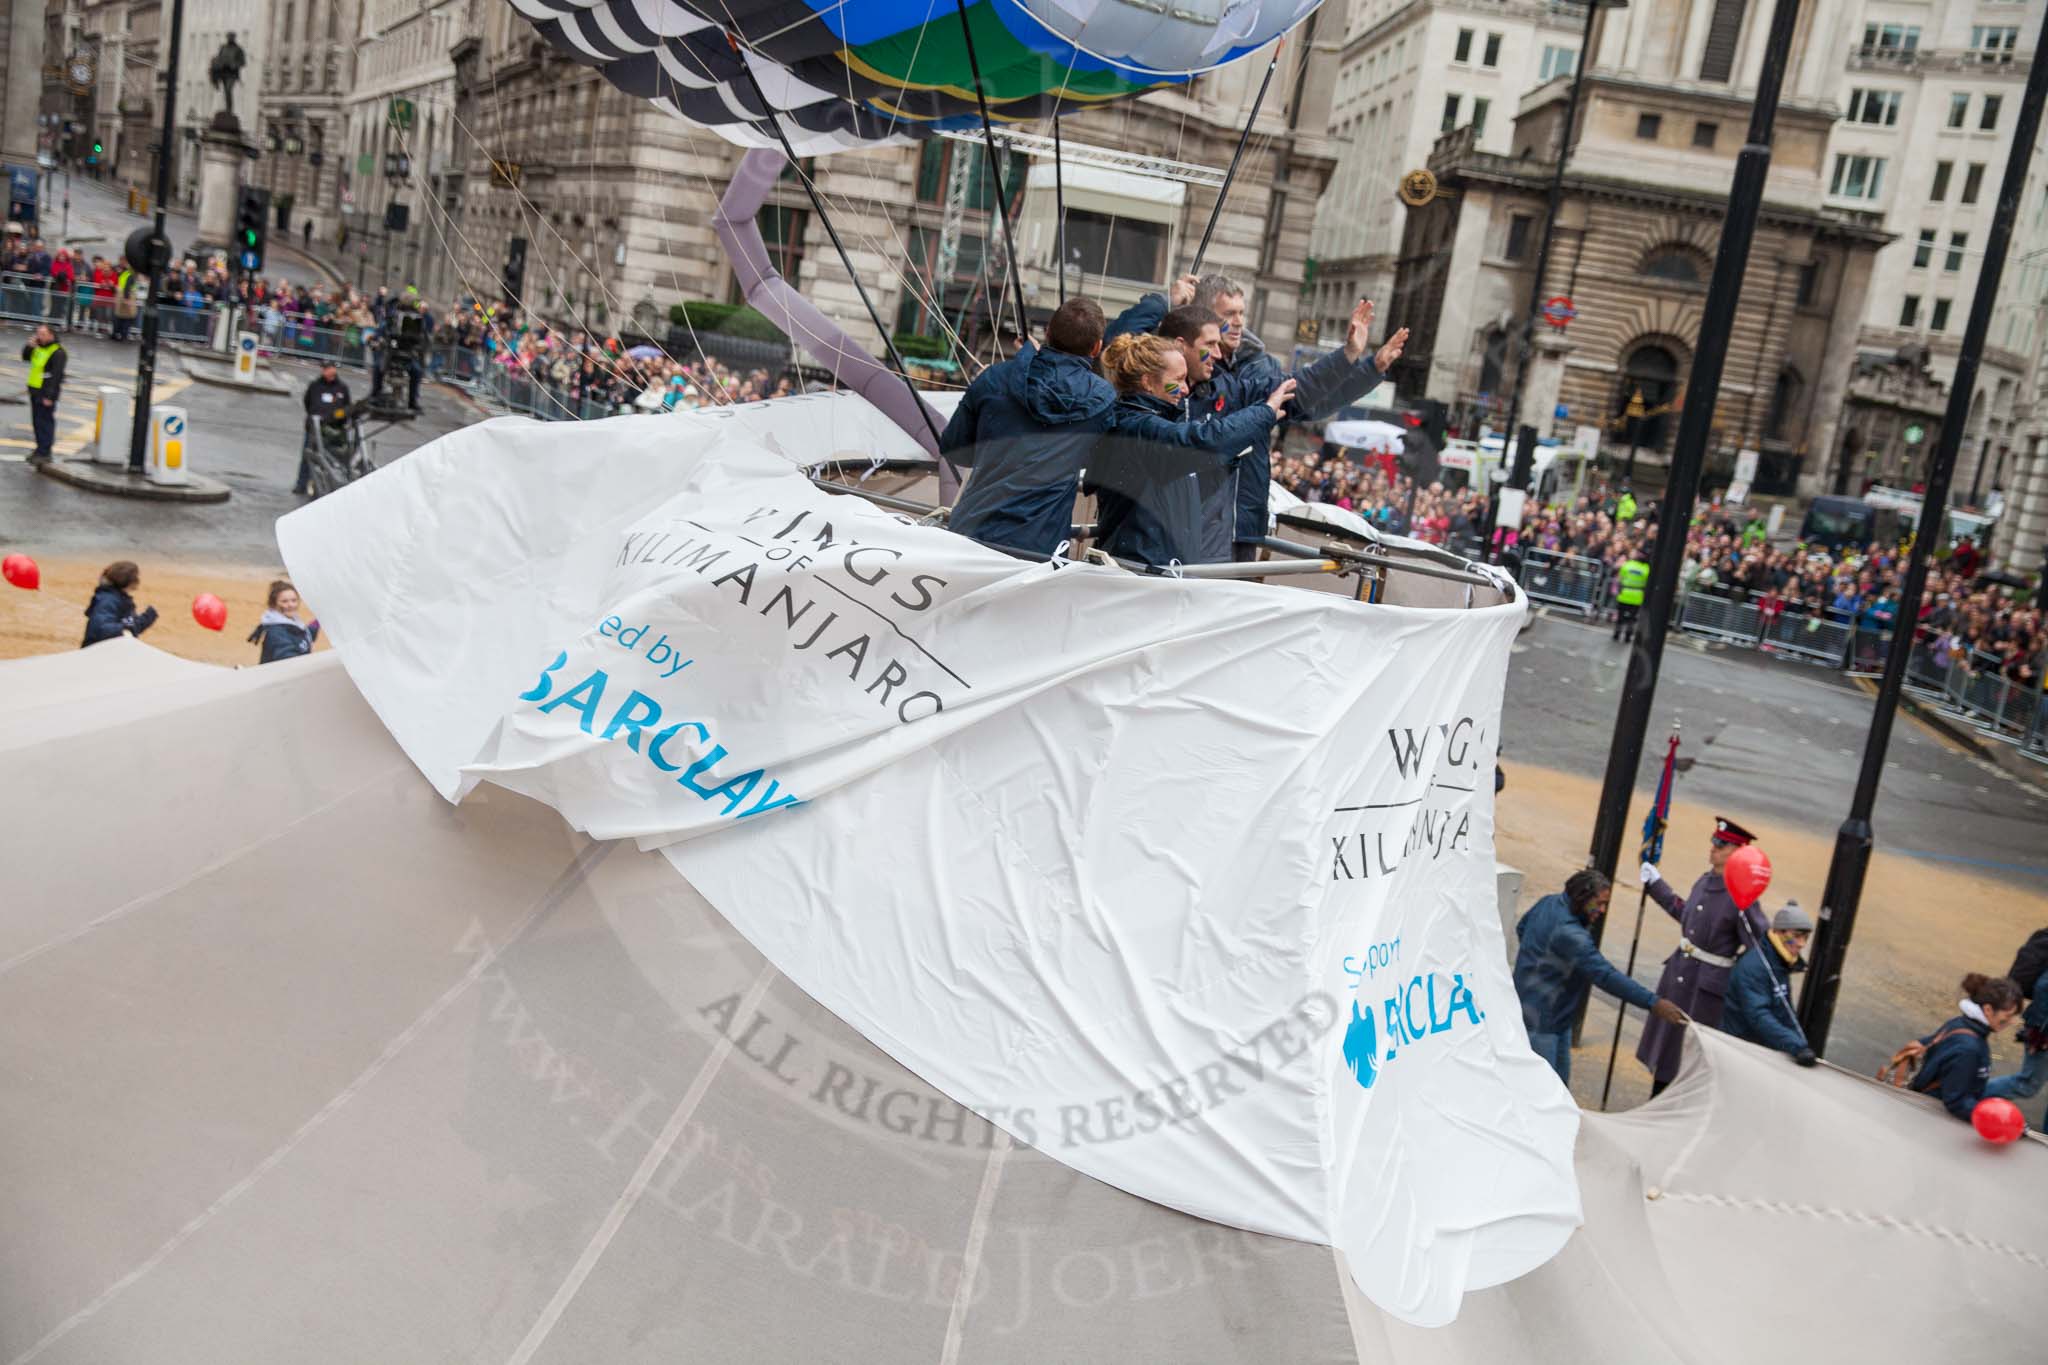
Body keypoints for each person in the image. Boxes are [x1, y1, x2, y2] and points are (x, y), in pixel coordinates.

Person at [1090, 332, 1292, 566]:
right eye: (1178, 380)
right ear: (1147, 382)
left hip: (1157, 568)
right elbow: (1203, 441)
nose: (1185, 389)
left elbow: (1185, 494)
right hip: (1140, 570)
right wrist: (1263, 414)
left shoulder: (1148, 424)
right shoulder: (1138, 427)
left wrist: (1227, 461)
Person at [941, 297, 1117, 559]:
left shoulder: (996, 378)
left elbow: (955, 449)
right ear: (1097, 348)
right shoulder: (1102, 398)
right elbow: (1097, 464)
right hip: (1040, 545)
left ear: (1047, 332)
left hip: (974, 531)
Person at [1512, 868, 1687, 1083]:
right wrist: (1654, 1003)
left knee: (1557, 1089)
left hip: (1547, 1015)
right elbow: (1606, 976)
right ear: (1582, 897)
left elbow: (1522, 928)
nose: (1603, 910)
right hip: (1544, 1024)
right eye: (1600, 903)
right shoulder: (1572, 935)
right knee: (1545, 1093)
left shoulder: (1548, 902)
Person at [1636, 816, 1770, 1095]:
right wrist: (1656, 885)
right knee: (1666, 1057)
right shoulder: (1706, 880)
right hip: (1680, 977)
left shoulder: (1740, 894)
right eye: (1714, 841)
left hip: (1705, 989)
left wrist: (1729, 976)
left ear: (1737, 853)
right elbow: (1685, 915)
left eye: (1722, 844)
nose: (1713, 847)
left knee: (1687, 1065)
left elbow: (1759, 946)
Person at [1906, 974, 2025, 1122]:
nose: (2011, 1021)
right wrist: (1998, 1119)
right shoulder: (1969, 1049)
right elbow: (1957, 1101)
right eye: (2008, 1016)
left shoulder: (1959, 1023)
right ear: (1988, 1009)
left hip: (1921, 1105)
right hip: (1933, 1118)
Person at [1722, 901, 1817, 1065]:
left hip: (1759, 1048)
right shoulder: (1754, 967)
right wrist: (1796, 1046)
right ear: (1778, 932)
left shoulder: (1779, 963)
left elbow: (1784, 1011)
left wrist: (1800, 1044)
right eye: (1796, 936)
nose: (1802, 944)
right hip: (1740, 1049)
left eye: (1805, 938)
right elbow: (1758, 1015)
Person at [1983, 927, 2048, 1104]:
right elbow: (2044, 989)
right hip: (2042, 1030)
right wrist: (2040, 1035)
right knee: (2027, 1084)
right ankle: (1964, 1096)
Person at [299, 360, 353, 495]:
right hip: (315, 428)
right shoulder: (315, 386)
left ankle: (336, 485)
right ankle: (301, 484)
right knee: (308, 457)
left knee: (337, 458)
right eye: (325, 368)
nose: (327, 371)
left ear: (334, 369)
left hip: (335, 430)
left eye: (329, 368)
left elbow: (347, 407)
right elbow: (307, 402)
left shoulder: (342, 388)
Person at [81, 561, 159, 646]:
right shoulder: (108, 600)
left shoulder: (121, 600)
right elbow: (101, 628)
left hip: (110, 651)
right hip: (99, 652)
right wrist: (125, 627)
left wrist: (147, 617)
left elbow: (131, 625)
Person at [20, 322, 65, 465]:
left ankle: (45, 452)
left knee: (45, 423)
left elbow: (56, 376)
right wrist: (29, 346)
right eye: (38, 334)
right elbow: (26, 358)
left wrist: (50, 396)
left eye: (43, 334)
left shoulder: (57, 352)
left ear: (51, 335)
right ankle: (40, 449)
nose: (39, 337)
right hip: (35, 390)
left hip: (45, 393)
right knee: (37, 422)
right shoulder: (39, 347)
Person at [246, 580, 320, 663]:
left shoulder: (292, 622)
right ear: (273, 604)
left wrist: (318, 621)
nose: (290, 605)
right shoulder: (276, 631)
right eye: (284, 601)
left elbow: (303, 638)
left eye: (294, 600)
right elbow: (288, 659)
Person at [1614, 539, 1650, 642]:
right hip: (1637, 596)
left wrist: (1619, 590)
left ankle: (1617, 634)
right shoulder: (1647, 569)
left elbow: (1620, 578)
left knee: (1620, 616)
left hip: (1624, 594)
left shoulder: (1627, 565)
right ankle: (1628, 636)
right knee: (1632, 618)